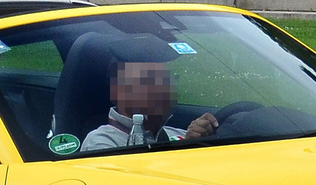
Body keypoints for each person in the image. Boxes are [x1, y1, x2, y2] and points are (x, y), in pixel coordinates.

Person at [81, 60, 219, 152]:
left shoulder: (177, 134)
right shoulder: (100, 142)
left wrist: (206, 138)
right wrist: (187, 148)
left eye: (166, 80)